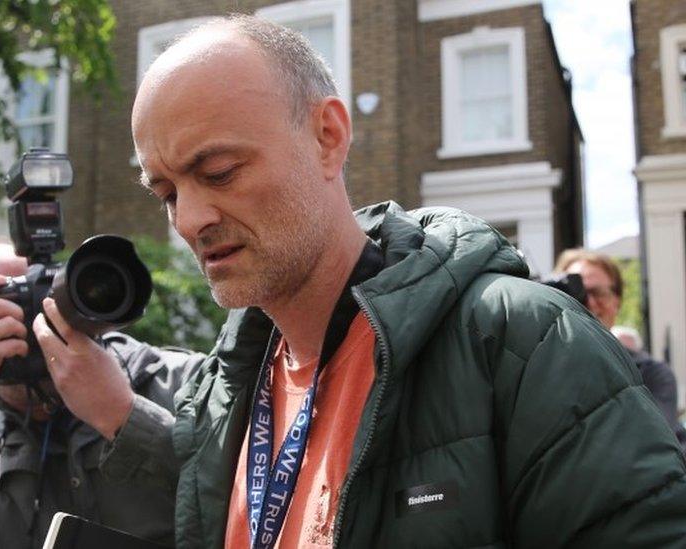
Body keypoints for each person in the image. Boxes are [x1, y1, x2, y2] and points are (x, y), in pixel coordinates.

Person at [131, 15, 686, 548]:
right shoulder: (223, 391)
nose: (188, 219)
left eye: (219, 172)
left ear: (327, 137)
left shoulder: (527, 344)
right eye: (167, 193)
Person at [0, 240, 205, 548]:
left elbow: (245, 507)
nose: (29, 319)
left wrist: (123, 415)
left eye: (36, 292)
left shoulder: (180, 383)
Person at [557, 248, 686, 448]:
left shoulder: (652, 374)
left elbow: (654, 445)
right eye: (576, 292)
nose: (589, 303)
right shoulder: (539, 368)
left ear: (617, 301)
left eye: (597, 292)